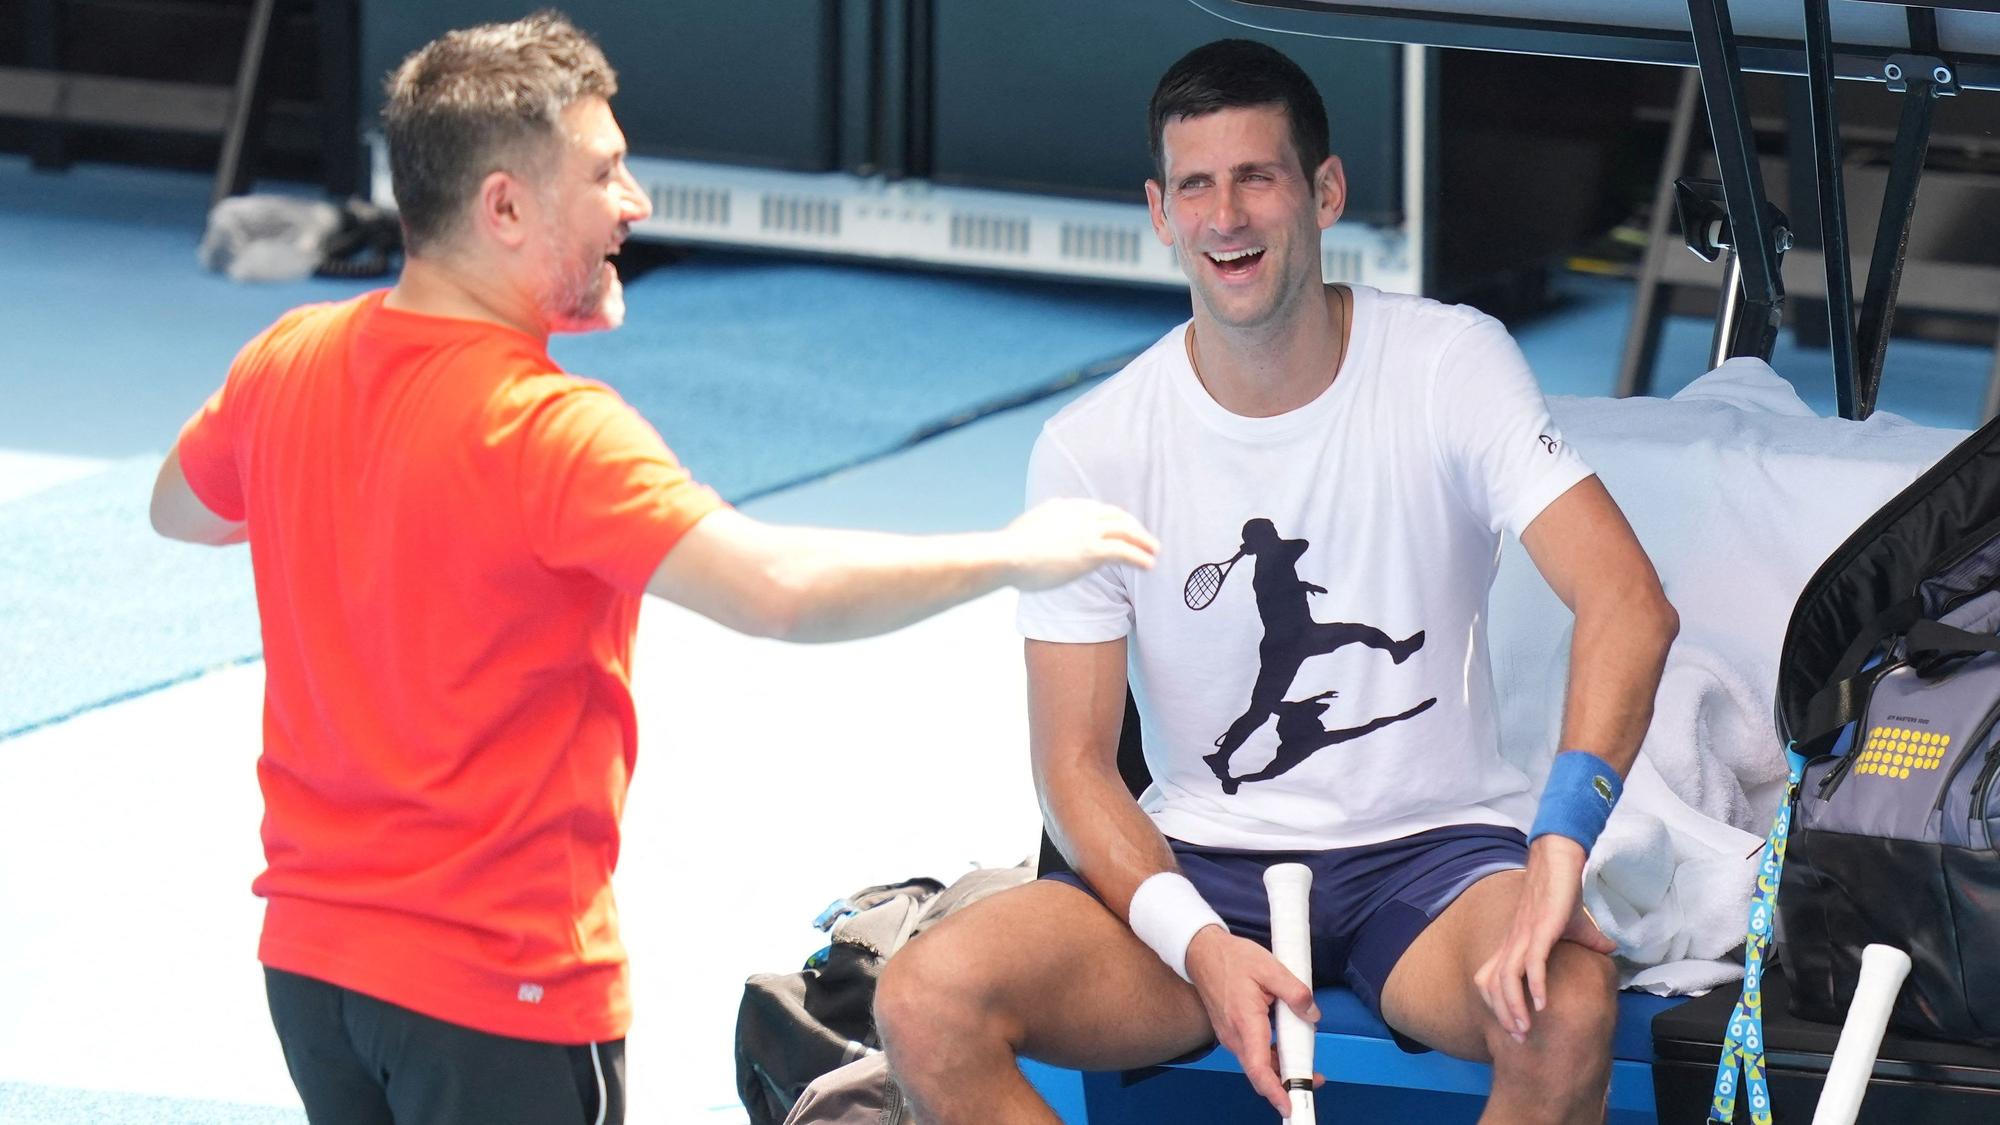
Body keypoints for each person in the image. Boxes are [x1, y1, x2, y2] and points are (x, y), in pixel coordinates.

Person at [145, 13, 1156, 1125]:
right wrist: (1015, 553)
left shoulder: (284, 361)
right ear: (504, 207)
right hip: (493, 984)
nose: (636, 203)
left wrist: (353, 501)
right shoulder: (550, 431)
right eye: (606, 172)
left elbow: (180, 510)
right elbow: (776, 591)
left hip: (312, 973)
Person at [874, 37, 1677, 1125]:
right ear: (1159, 212)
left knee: (1563, 1006)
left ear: (1323, 191)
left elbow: (1626, 600)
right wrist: (1195, 944)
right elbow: (1071, 765)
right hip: (1202, 864)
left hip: (1429, 859)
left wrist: (1554, 855)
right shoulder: (1092, 445)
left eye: (1255, 176)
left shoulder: (1448, 363)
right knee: (925, 997)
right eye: (1195, 186)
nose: (1225, 216)